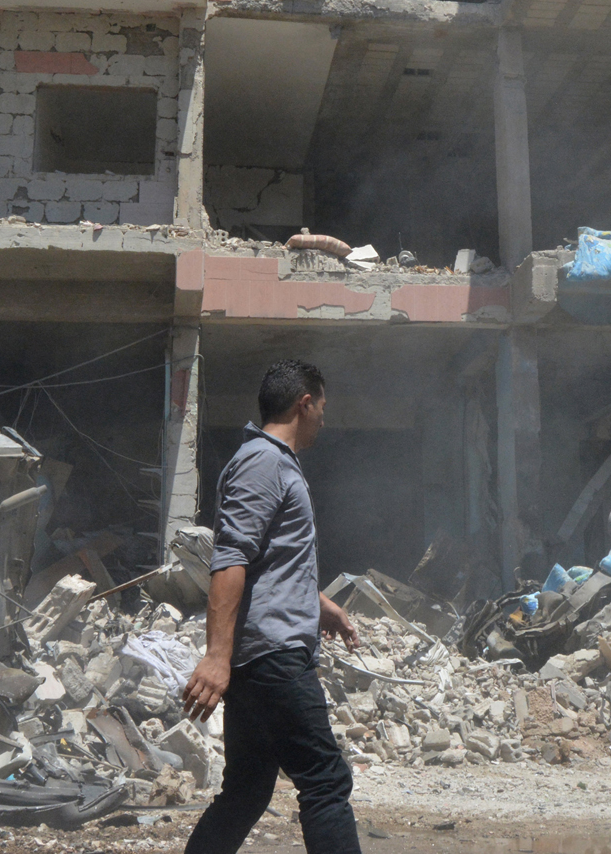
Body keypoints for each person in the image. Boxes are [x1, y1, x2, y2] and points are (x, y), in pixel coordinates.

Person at [182, 361, 363, 854]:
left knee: (247, 788)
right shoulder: (263, 461)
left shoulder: (274, 463)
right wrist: (216, 655)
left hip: (262, 654)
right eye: (322, 408)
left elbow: (270, 560)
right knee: (326, 779)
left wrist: (318, 602)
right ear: (304, 404)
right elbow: (231, 558)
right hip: (274, 658)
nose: (325, 419)